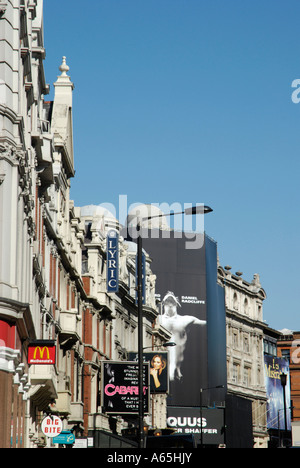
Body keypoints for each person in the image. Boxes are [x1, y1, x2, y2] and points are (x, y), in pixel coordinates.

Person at [158, 291, 206, 381]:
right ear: (163, 304)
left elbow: (205, 323)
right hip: (160, 364)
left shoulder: (185, 319)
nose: (170, 305)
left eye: (172, 302)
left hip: (180, 367)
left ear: (176, 304)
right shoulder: (158, 319)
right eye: (167, 303)